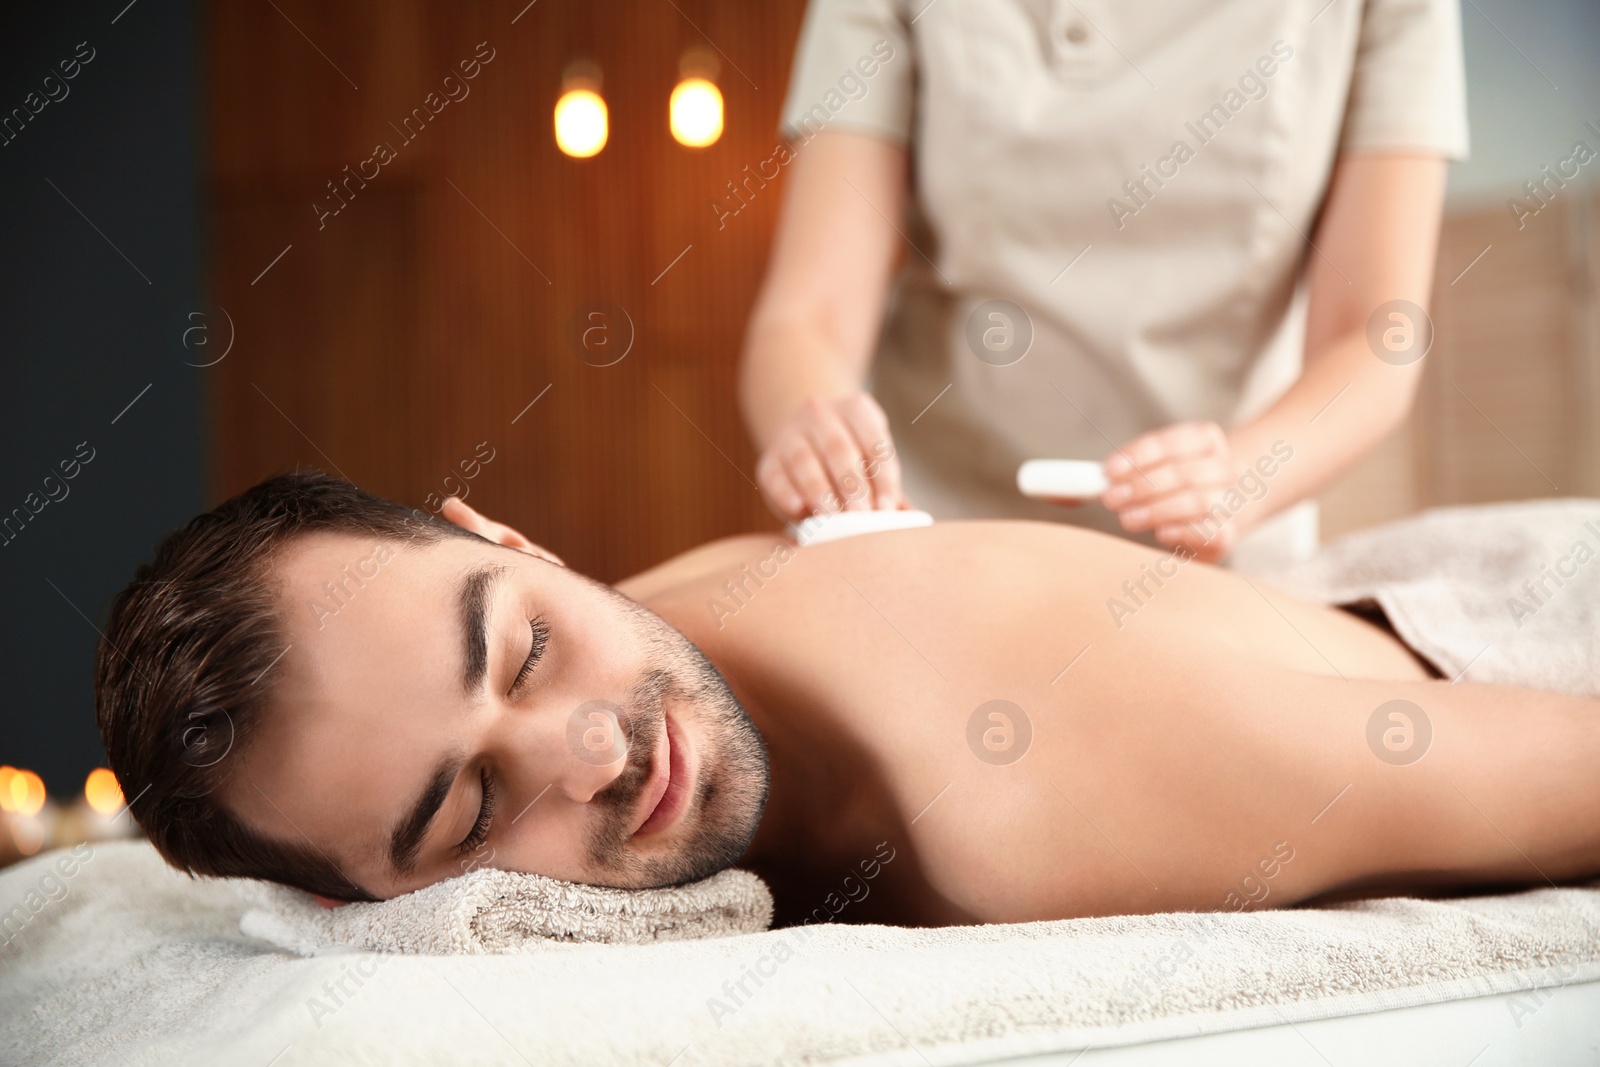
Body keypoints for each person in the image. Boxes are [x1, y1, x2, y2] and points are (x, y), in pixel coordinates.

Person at [95, 472, 1598, 928]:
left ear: (512, 538)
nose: (599, 747)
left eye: (526, 648)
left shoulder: (1031, 794)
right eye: (475, 806)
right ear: (372, 898)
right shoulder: (650, 611)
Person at [739, 0, 1467, 569]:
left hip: (1220, 555)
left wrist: (1244, 476)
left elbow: (1373, 339)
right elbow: (805, 316)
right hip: (925, 532)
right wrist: (817, 431)